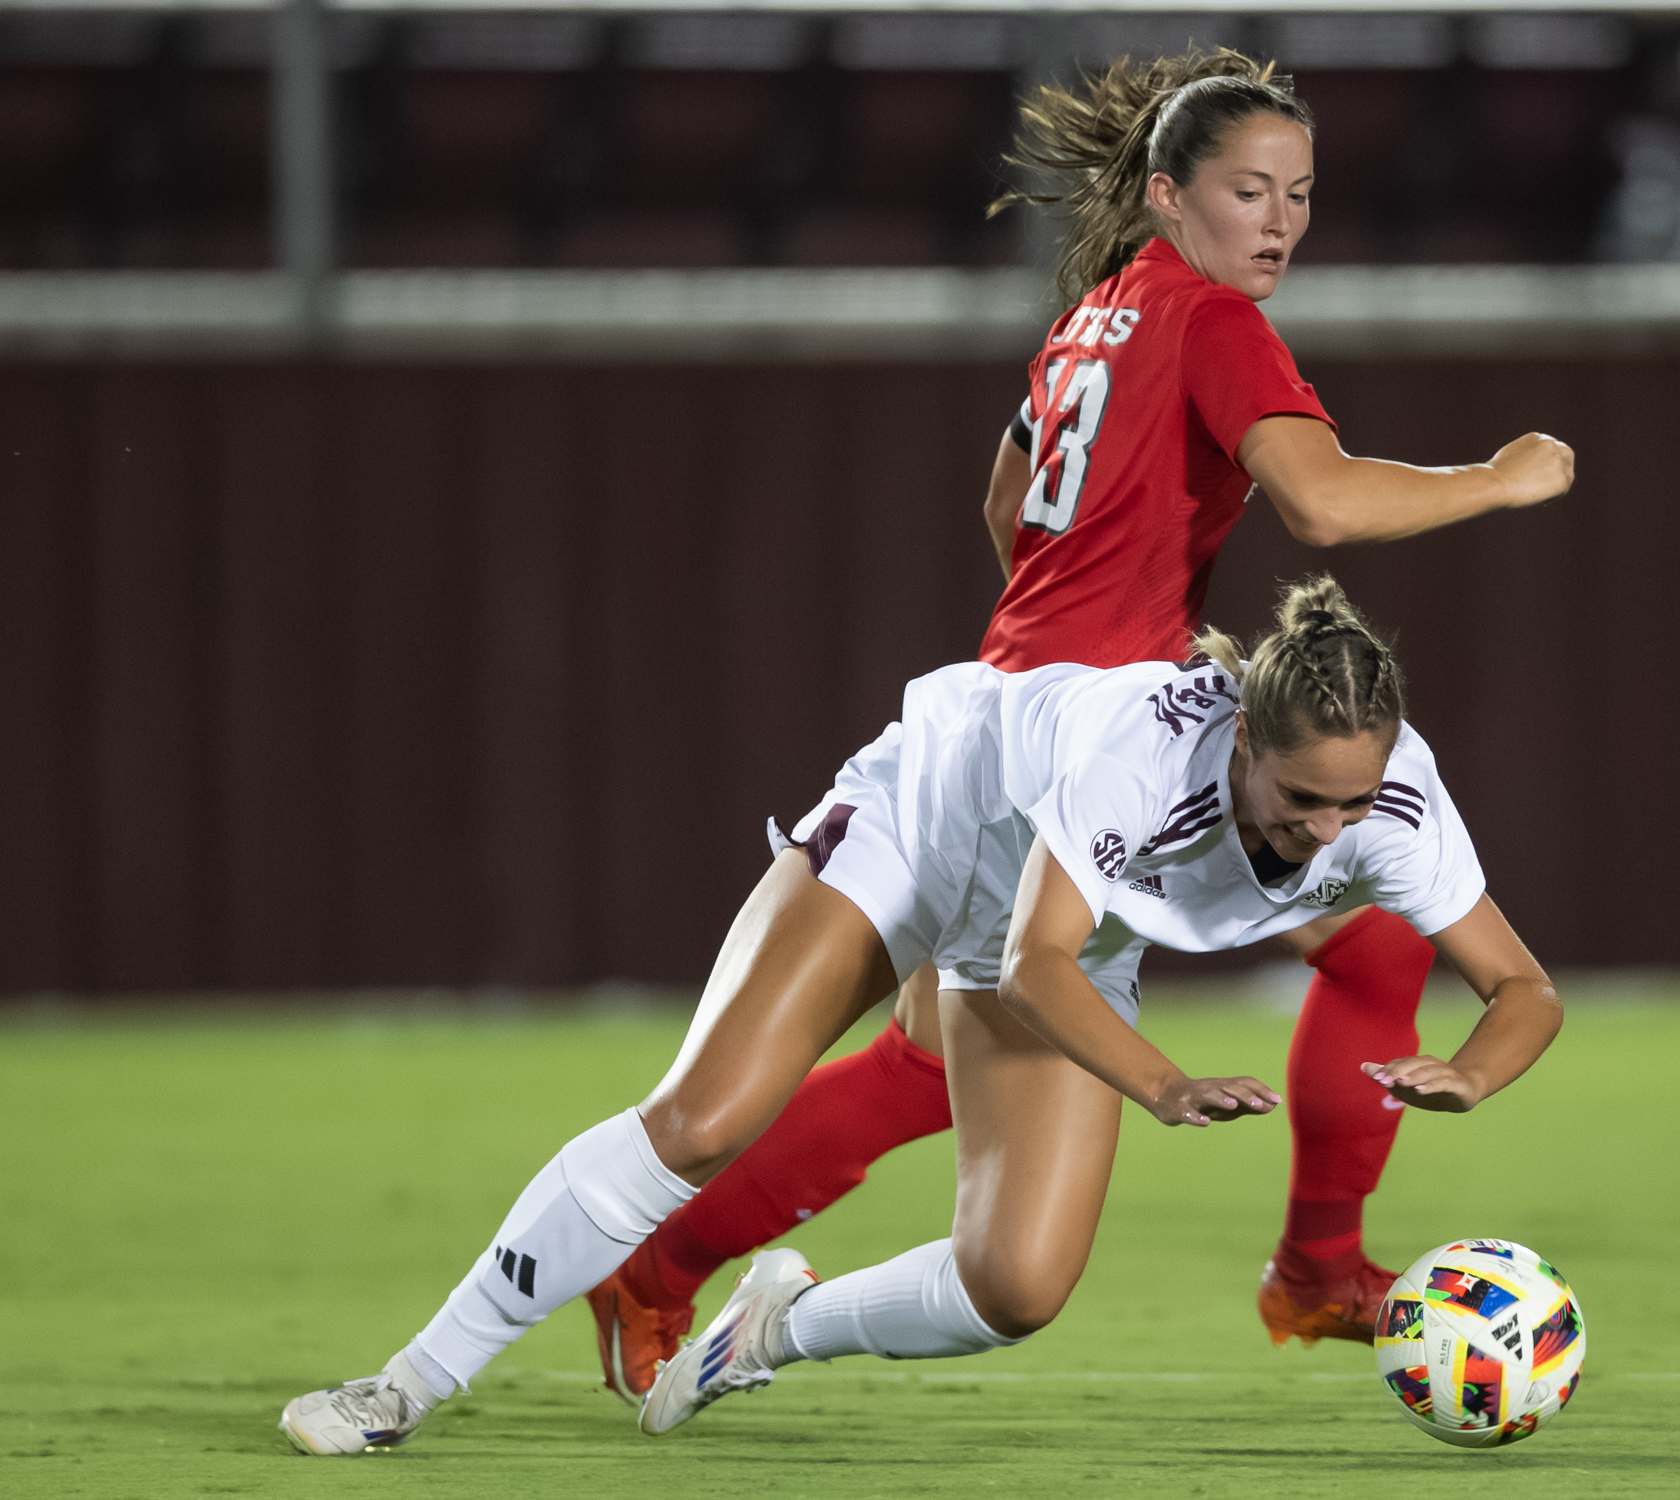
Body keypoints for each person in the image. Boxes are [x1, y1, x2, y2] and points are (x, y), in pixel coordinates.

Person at [583, 50, 1576, 1401]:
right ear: (1175, 197)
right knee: (1011, 1041)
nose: (1279, 220)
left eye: (1299, 193)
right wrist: (1504, 479)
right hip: (1102, 738)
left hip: (1056, 710)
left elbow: (1006, 505)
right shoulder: (1217, 323)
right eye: (1252, 191)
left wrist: (1089, 658)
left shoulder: (1099, 313)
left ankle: (1314, 1269)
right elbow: (1328, 506)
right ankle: (664, 1262)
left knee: (1305, 962)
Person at [279, 576, 1565, 1455]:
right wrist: (1164, 1086)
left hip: (1061, 927)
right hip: (922, 831)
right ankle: (407, 1382)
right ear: (1240, 738)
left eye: (1351, 804)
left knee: (1016, 1287)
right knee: (704, 1117)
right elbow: (1029, 963)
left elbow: (1523, 990)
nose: (1324, 833)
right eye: (1299, 800)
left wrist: (1468, 1071)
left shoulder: (1394, 803)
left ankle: (772, 1329)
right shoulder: (1143, 752)